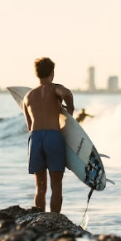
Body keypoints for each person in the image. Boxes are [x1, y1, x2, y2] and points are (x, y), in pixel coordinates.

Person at [23, 57, 74, 213]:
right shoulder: (55, 88)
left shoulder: (28, 97)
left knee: (40, 186)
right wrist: (70, 109)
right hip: (53, 136)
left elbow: (29, 125)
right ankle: (54, 218)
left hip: (36, 138)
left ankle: (39, 217)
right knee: (56, 184)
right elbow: (66, 93)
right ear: (52, 73)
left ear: (37, 74)